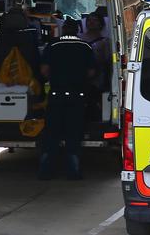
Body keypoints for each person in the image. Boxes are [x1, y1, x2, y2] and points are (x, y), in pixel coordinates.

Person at [38, 18, 95, 180]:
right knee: (73, 134)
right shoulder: (85, 46)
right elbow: (91, 72)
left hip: (56, 95)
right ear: (77, 30)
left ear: (63, 30)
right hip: (77, 96)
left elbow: (44, 70)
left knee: (52, 133)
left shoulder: (53, 45)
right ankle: (73, 171)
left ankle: (45, 171)